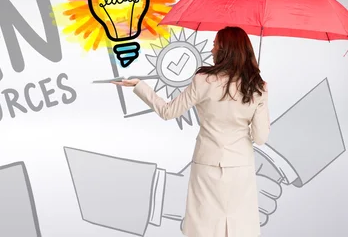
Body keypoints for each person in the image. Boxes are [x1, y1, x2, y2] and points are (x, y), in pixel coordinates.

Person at [113, 26, 270, 237]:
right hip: (240, 166)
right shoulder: (258, 87)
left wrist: (140, 86)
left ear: (225, 50)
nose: (212, 49)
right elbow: (260, 138)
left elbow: (168, 112)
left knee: (203, 226)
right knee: (240, 226)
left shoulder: (203, 80)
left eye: (215, 44)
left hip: (207, 163)